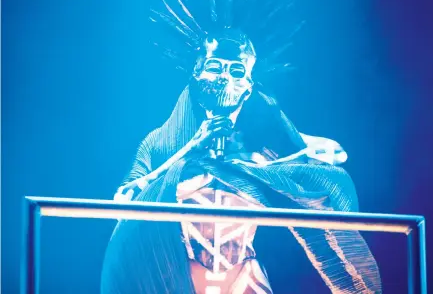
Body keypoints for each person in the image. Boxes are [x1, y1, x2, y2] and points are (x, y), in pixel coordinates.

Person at [100, 29, 382, 294]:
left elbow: (334, 156)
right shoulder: (161, 144)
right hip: (182, 275)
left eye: (236, 70)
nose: (225, 77)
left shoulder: (266, 146)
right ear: (196, 77)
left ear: (248, 87)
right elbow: (123, 202)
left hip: (244, 277)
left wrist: (272, 161)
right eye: (214, 67)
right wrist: (191, 148)